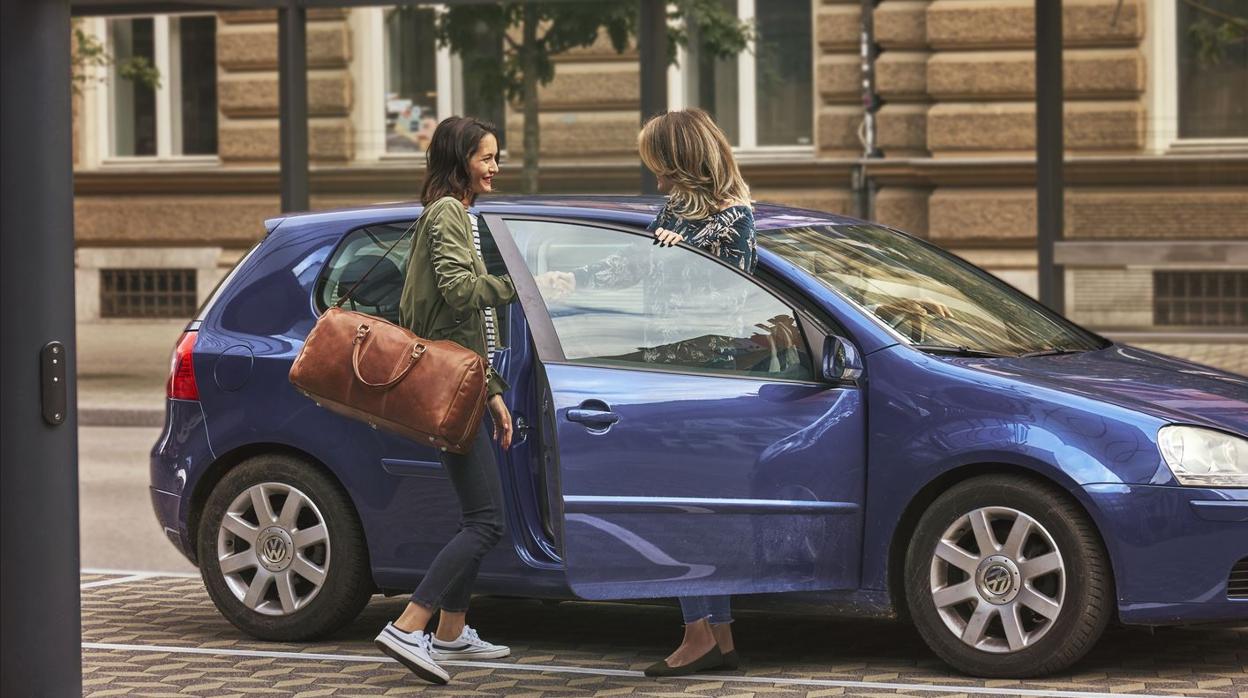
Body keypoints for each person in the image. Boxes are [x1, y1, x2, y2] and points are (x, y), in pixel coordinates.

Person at [372, 116, 515, 685]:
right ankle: (410, 625)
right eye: (487, 157)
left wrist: (495, 393)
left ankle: (452, 633)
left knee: (475, 515)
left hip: (465, 385)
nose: (495, 168)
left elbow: (465, 328)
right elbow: (460, 294)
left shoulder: (453, 214)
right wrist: (525, 287)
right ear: (460, 160)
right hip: (451, 389)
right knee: (486, 522)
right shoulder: (449, 214)